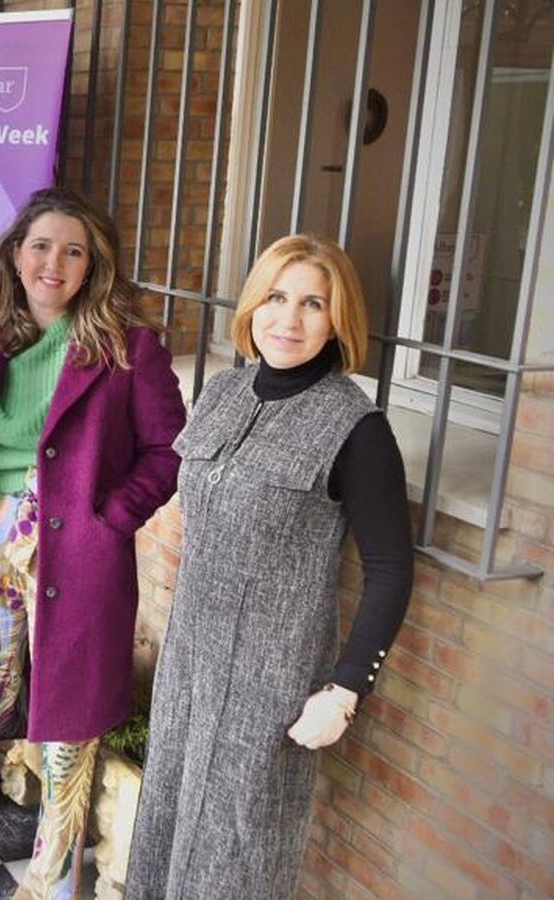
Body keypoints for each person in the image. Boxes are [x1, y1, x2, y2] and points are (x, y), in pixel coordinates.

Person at [0, 188, 187, 898]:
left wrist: (111, 516)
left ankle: (49, 874)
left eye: (74, 251)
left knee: (68, 716)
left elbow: (170, 449)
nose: (55, 262)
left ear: (92, 267)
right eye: (42, 246)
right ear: (17, 256)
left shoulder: (127, 348)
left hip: (76, 552)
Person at [124, 234, 413, 900]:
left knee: (237, 853)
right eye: (277, 297)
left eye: (314, 303)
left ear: (339, 319)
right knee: (164, 824)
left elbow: (392, 569)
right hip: (190, 663)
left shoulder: (357, 428)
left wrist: (344, 693)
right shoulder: (224, 390)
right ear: (253, 303)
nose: (289, 319)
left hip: (272, 682)